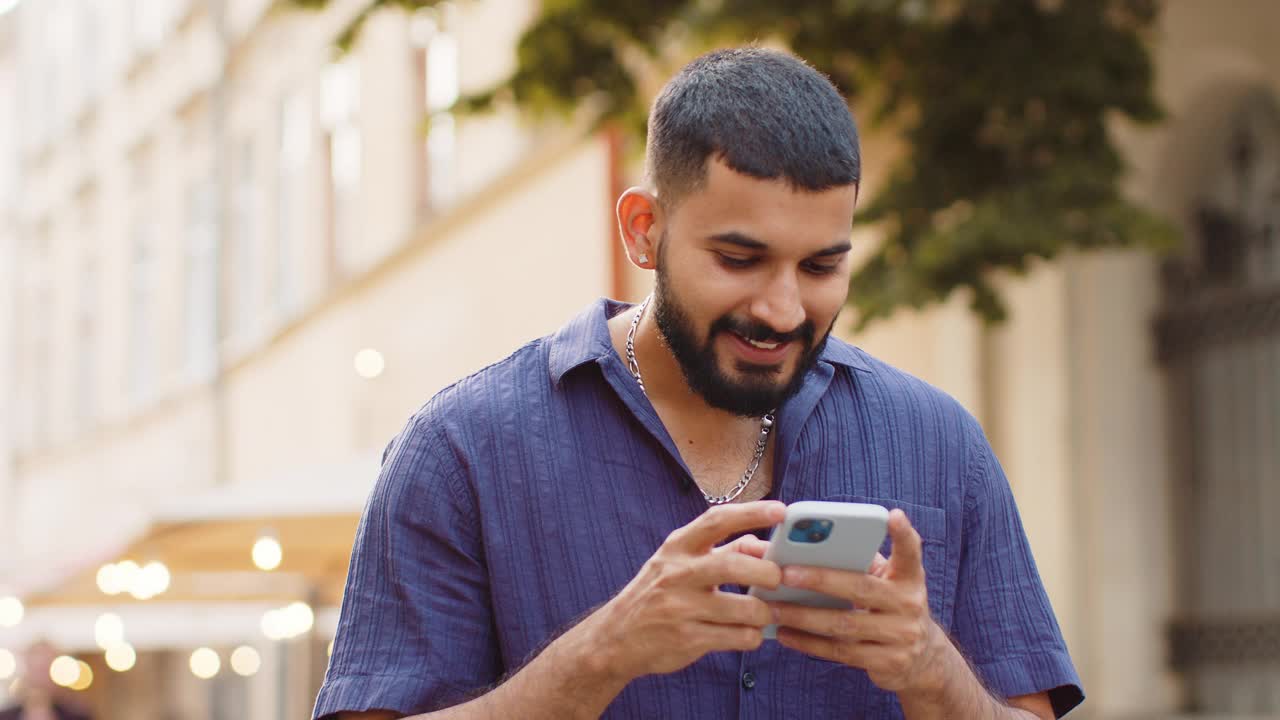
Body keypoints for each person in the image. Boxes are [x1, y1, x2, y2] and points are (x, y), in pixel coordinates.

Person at [314, 47, 1083, 719]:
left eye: (821, 266)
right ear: (644, 230)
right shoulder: (460, 452)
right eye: (739, 260)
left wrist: (929, 671)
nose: (782, 309)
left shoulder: (938, 441)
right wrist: (602, 654)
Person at [0, 641, 93, 720]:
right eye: (37, 669)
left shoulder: (77, 716)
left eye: (45, 670)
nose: (41, 678)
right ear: (27, 670)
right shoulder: (5, 716)